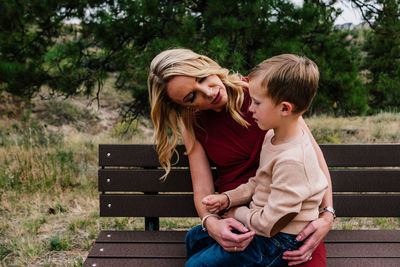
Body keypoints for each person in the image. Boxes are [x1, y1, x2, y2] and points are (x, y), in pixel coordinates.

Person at [148, 48, 335, 266]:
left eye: (202, 77)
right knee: (196, 243)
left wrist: (326, 216)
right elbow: (203, 189)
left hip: (284, 221)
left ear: (206, 64)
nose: (208, 92)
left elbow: (314, 160)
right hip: (238, 219)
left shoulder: (263, 92)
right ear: (182, 106)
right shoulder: (191, 121)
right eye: (191, 96)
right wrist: (212, 223)